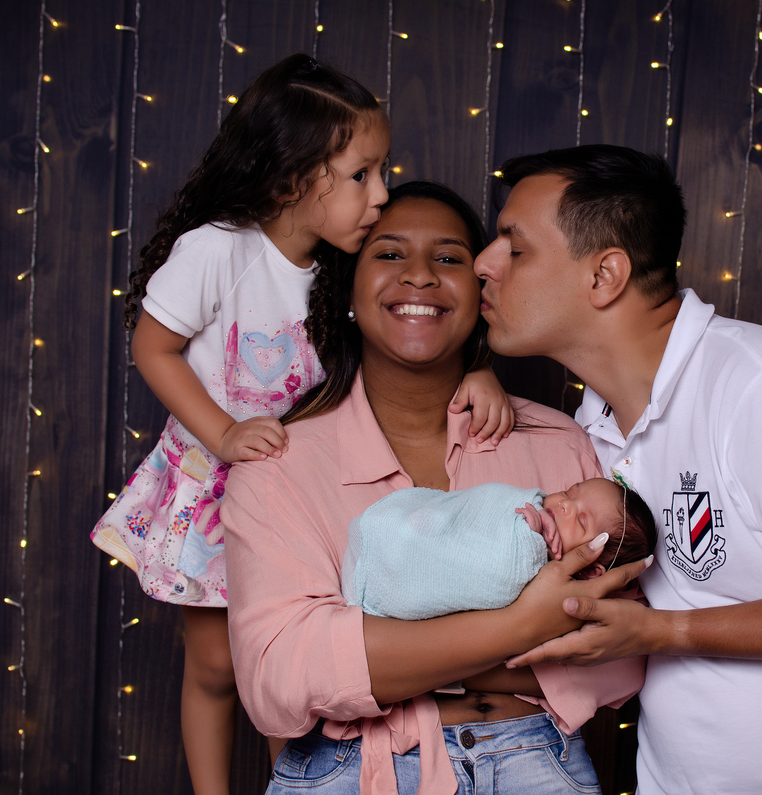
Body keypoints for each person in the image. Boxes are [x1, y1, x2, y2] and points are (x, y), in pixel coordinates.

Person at [88, 57, 513, 795]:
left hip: (298, 495)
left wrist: (477, 369)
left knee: (294, 670)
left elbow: (403, 347)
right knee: (217, 665)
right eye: (362, 175)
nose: (381, 196)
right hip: (212, 486)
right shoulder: (218, 249)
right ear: (292, 180)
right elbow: (151, 348)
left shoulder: (339, 269)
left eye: (383, 172)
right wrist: (224, 433)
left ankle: (304, 783)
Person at [473, 145, 762, 795]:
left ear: (605, 275)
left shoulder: (759, 385)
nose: (484, 263)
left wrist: (661, 631)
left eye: (515, 247)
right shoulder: (591, 425)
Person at [220, 180, 648, 795]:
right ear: (347, 288)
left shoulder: (557, 443)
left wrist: (391, 659)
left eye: (448, 257)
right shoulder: (277, 464)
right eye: (390, 253)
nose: (419, 275)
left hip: (538, 762)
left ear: (482, 289)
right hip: (355, 770)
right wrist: (525, 626)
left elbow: (624, 657)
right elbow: (281, 678)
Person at [342, 478, 656, 620]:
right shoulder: (534, 508)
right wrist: (526, 521)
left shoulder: (554, 598)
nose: (564, 504)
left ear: (590, 570)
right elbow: (485, 505)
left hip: (385, 581)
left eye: (581, 520)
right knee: (422, 527)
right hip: (391, 533)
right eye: (570, 492)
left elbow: (498, 577)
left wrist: (528, 544)